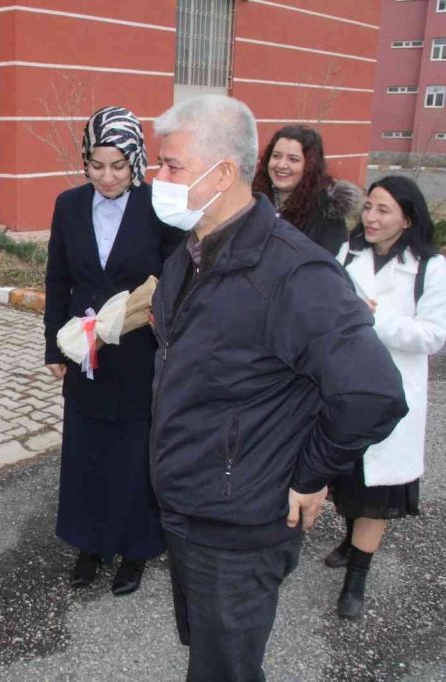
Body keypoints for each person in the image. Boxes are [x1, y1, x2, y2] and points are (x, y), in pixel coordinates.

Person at [149, 95, 407, 681]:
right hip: (188, 507)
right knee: (210, 657)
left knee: (226, 671)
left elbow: (372, 393)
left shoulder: (294, 273)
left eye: (171, 166)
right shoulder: (192, 253)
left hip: (240, 528)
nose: (156, 178)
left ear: (222, 174)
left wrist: (311, 472)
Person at [44, 106, 182, 592]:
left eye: (118, 166)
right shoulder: (68, 205)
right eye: (97, 165)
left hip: (140, 353)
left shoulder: (158, 208)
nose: (106, 176)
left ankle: (135, 550)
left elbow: (176, 279)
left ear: (136, 162)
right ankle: (90, 544)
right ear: (85, 162)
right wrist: (54, 349)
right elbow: (58, 279)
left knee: (133, 456)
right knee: (87, 452)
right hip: (84, 354)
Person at [325, 176, 446, 620]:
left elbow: (433, 337)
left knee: (377, 492)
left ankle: (356, 577)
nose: (371, 218)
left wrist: (377, 319)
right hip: (346, 389)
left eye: (384, 210)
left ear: (408, 218)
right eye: (369, 208)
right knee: (349, 480)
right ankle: (348, 539)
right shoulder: (347, 255)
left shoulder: (431, 268)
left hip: (393, 395)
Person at [252, 125, 360, 255]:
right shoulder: (253, 200)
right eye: (276, 156)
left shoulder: (325, 212)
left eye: (293, 159)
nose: (281, 165)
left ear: (310, 165)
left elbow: (329, 268)